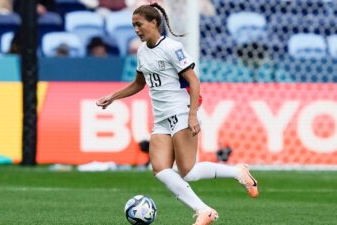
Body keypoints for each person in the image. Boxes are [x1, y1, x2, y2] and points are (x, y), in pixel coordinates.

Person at [96, 3, 259, 225]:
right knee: (160, 170)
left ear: (154, 23)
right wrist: (113, 97)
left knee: (188, 172)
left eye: (139, 24)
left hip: (181, 113)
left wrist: (192, 115)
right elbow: (138, 83)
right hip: (161, 118)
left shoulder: (172, 48)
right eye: (133, 25)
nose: (135, 30)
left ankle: (237, 172)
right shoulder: (142, 52)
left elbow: (193, 81)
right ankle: (204, 210)